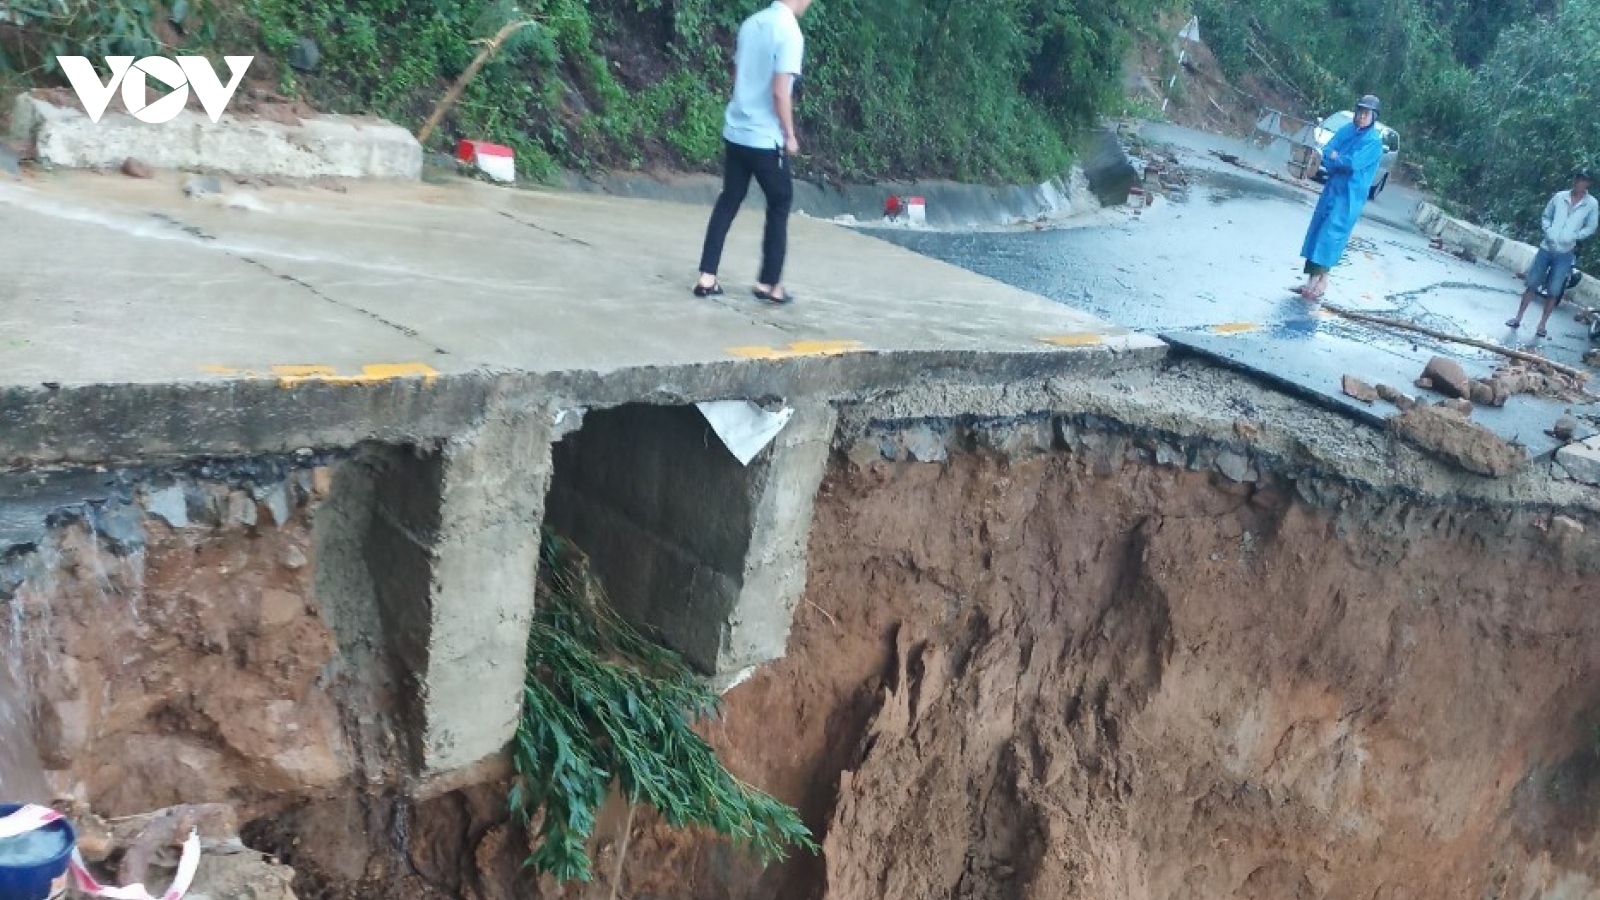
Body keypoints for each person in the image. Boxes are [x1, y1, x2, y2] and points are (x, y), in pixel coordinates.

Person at [691, 0, 814, 306]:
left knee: (729, 199)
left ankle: (707, 277)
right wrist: (790, 135)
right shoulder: (790, 32)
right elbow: (780, 91)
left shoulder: (752, 23)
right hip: (764, 137)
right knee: (780, 200)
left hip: (736, 130)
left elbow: (738, 74)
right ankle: (769, 283)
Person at [1294, 95, 1386, 301]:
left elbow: (1353, 163)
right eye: (1360, 112)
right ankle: (1311, 281)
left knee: (1330, 236)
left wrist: (1338, 159)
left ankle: (1321, 282)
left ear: (1374, 117)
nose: (1361, 116)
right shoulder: (1347, 130)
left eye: (1366, 114)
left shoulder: (1373, 142)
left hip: (1349, 196)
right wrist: (1336, 159)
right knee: (1318, 231)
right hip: (1332, 188)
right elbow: (1328, 150)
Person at [1506, 169, 1598, 338]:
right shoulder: (1560, 197)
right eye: (1578, 178)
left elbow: (1591, 227)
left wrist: (1574, 236)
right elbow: (1546, 216)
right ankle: (1518, 317)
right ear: (1574, 179)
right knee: (1532, 283)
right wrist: (1549, 231)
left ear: (1588, 183)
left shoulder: (1591, 204)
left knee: (1554, 290)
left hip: (1566, 252)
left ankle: (1542, 325)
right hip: (1546, 247)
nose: (1579, 182)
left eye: (1583, 180)